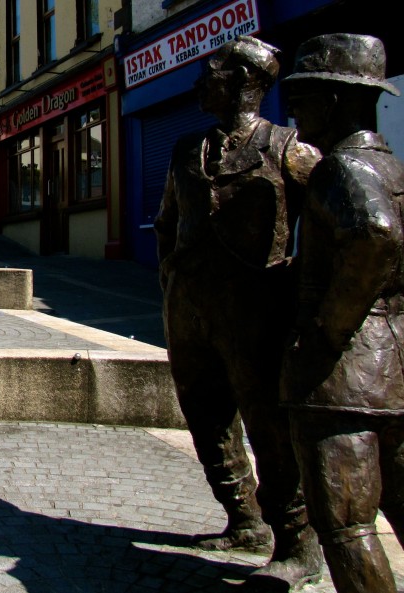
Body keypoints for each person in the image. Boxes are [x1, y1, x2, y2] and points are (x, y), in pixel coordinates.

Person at [154, 36, 322, 589]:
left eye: (213, 72)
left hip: (256, 313)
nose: (202, 82)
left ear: (246, 80)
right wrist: (171, 284)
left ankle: (298, 542)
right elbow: (166, 224)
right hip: (190, 309)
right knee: (206, 417)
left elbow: (330, 229)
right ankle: (244, 520)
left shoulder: (290, 149)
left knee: (269, 426)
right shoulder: (185, 150)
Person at [280, 33, 404, 593]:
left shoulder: (340, 169)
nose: (292, 112)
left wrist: (329, 327)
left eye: (302, 98)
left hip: (345, 375)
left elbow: (374, 236)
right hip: (393, 366)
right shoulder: (393, 168)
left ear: (332, 101)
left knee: (346, 525)